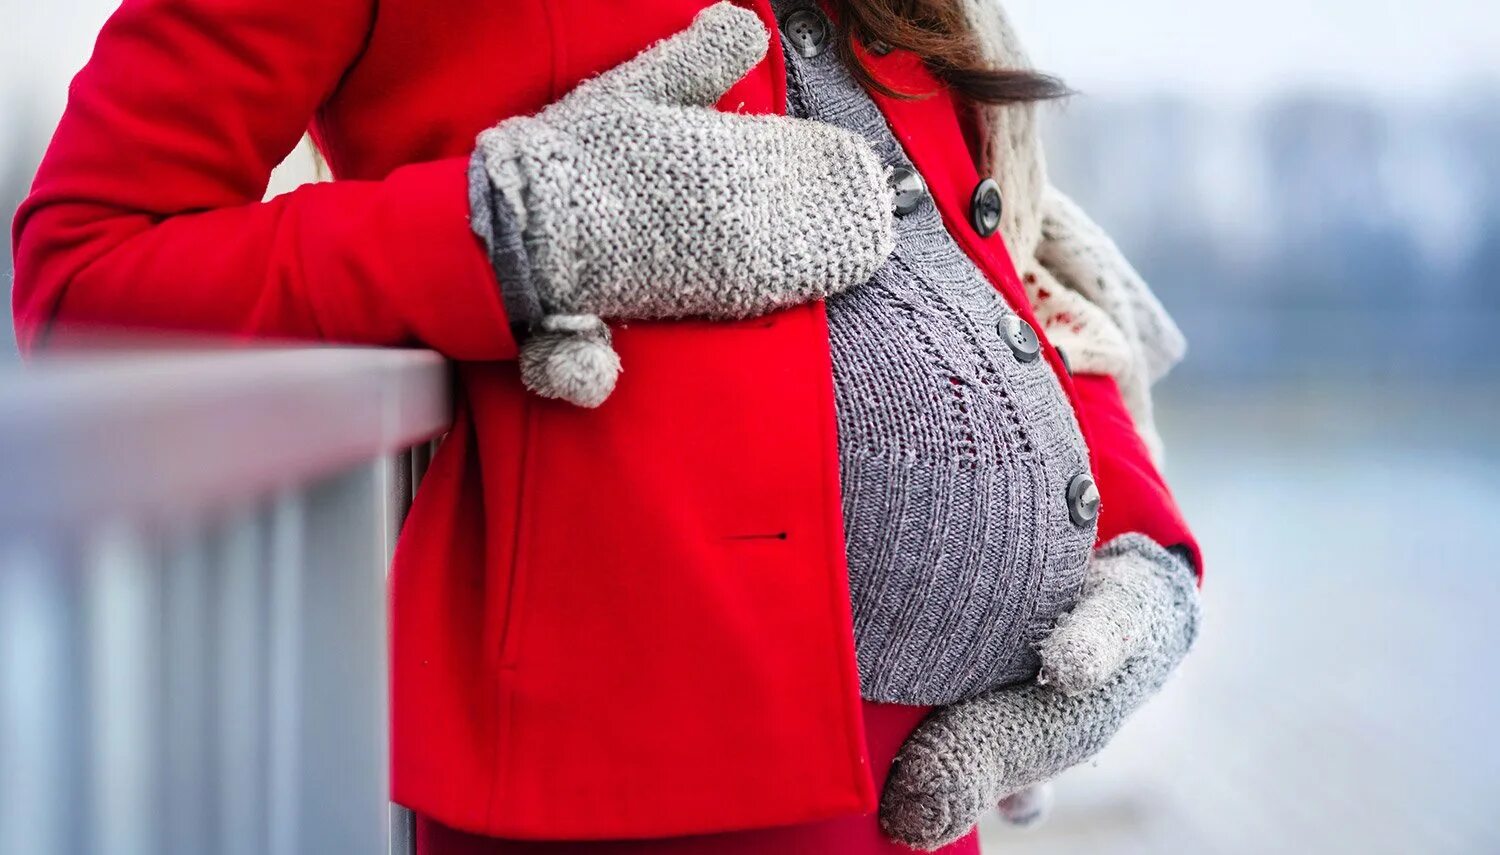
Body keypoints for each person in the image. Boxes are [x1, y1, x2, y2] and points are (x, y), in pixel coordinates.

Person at [11, 1, 1203, 852]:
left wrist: (1142, 557)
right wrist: (511, 231)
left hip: (925, 790)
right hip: (624, 789)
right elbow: (82, 276)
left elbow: (997, 254)